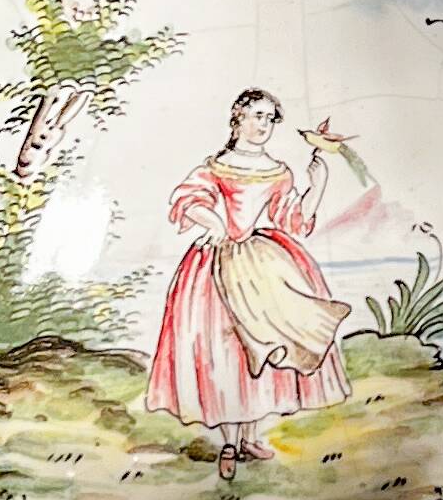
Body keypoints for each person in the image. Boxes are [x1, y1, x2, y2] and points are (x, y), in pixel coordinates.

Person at [145, 90, 354, 479]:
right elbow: (187, 199)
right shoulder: (215, 166)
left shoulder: (278, 170)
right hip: (216, 263)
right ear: (237, 117)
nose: (263, 125)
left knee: (266, 343)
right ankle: (228, 441)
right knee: (224, 349)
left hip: (262, 261)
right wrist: (215, 222)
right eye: (257, 115)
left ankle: (251, 435)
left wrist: (318, 185)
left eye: (270, 118)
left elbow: (291, 219)